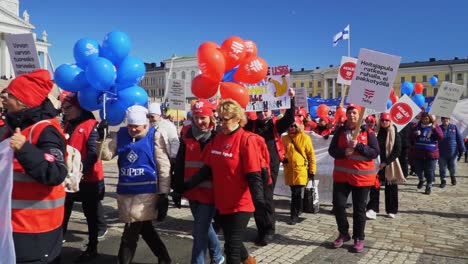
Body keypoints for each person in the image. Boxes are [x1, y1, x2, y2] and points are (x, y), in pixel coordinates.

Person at [181, 99, 264, 264]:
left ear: (238, 119)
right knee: (235, 242)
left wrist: (260, 203)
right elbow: (207, 169)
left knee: (231, 249)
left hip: (241, 204)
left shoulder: (246, 140)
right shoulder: (218, 139)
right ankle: (249, 261)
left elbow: (254, 175)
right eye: (219, 119)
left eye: (225, 120)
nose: (221, 123)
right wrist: (186, 186)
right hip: (222, 202)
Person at [4, 70, 68, 263]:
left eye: (11, 96)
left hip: (36, 230)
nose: (6, 100)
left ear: (24, 101)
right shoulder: (13, 127)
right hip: (13, 224)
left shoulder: (46, 130)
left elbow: (56, 172)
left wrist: (24, 148)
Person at [98, 105, 172, 264]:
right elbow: (106, 155)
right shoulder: (122, 134)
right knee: (144, 227)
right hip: (126, 190)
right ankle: (164, 258)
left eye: (136, 127)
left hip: (147, 190)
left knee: (131, 230)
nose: (133, 129)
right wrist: (101, 137)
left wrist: (164, 193)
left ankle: (123, 260)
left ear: (146, 125)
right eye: (130, 126)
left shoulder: (154, 135)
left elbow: (163, 165)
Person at [173, 99, 224, 264]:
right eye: (196, 118)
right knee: (204, 228)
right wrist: (177, 188)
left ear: (211, 117)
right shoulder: (186, 132)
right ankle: (217, 256)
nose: (200, 121)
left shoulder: (219, 135)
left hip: (211, 191)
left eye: (203, 117)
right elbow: (180, 162)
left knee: (199, 231)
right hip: (191, 190)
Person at [244, 88, 295, 246]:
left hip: (270, 167)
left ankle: (269, 230)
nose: (262, 114)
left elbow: (289, 118)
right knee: (256, 200)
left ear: (270, 111)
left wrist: (291, 100)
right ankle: (261, 230)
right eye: (259, 112)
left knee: (266, 199)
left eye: (265, 111)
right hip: (253, 167)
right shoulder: (250, 125)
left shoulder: (275, 125)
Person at [60, 92, 107, 262]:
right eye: (63, 108)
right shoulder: (67, 125)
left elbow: (94, 153)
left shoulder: (91, 125)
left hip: (88, 178)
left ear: (78, 107)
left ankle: (92, 247)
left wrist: (80, 170)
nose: (64, 111)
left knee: (91, 215)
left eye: (67, 107)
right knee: (63, 213)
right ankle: (56, 246)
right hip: (69, 178)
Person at [328, 104, 379, 253]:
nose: (352, 115)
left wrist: (359, 147)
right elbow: (332, 151)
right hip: (342, 177)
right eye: (349, 113)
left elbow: (375, 152)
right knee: (338, 205)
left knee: (359, 209)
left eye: (355, 113)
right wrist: (344, 152)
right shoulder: (340, 131)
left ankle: (359, 237)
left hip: (361, 178)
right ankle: (343, 233)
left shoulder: (368, 133)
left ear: (360, 116)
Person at [366, 113, 404, 220]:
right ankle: (372, 209)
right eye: (382, 121)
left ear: (390, 121)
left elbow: (397, 150)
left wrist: (386, 162)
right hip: (376, 164)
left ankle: (392, 210)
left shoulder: (394, 132)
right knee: (374, 187)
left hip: (389, 164)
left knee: (391, 187)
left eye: (386, 121)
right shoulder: (376, 132)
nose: (384, 122)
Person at [281, 116, 316, 225]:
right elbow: (281, 151)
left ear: (299, 126)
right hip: (289, 170)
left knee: (296, 193)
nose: (292, 128)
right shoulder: (284, 138)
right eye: (290, 125)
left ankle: (294, 216)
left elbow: (311, 155)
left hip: (300, 170)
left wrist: (312, 171)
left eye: (294, 125)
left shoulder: (305, 138)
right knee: (294, 192)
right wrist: (283, 158)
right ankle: (298, 209)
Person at [410, 112, 443, 194]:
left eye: (427, 119)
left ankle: (429, 186)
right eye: (423, 119)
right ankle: (422, 179)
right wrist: (414, 134)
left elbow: (441, 137)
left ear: (430, 119)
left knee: (429, 171)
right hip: (418, 153)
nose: (425, 120)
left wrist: (435, 129)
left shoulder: (434, 126)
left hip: (431, 154)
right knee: (418, 170)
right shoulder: (417, 127)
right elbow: (410, 137)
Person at [437, 117, 465, 187]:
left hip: (453, 152)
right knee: (442, 167)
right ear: (442, 120)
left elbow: (459, 139)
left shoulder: (454, 127)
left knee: (453, 166)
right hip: (441, 152)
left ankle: (453, 177)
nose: (445, 121)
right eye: (444, 119)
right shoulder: (438, 128)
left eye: (447, 119)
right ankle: (443, 180)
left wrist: (462, 149)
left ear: (449, 120)